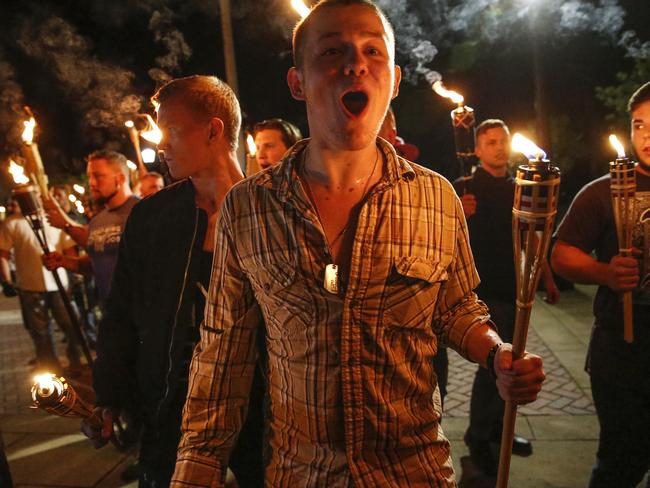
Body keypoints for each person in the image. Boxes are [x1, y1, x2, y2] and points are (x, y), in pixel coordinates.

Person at [171, 2, 545, 486]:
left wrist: (497, 354)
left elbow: (456, 310)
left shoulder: (436, 197)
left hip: (414, 472)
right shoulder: (248, 207)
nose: (355, 63)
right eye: (331, 51)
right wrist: (195, 469)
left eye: (373, 50)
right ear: (298, 82)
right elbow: (223, 354)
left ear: (392, 78)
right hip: (301, 473)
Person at [84, 75, 263, 487]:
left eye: (173, 132)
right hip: (172, 411)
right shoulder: (151, 218)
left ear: (214, 130)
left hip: (265, 413)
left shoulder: (271, 211)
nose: (161, 145)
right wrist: (109, 395)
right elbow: (122, 311)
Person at [551, 82, 650, 488]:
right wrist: (606, 273)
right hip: (623, 354)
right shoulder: (606, 190)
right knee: (620, 463)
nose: (647, 136)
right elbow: (561, 254)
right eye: (640, 125)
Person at [454, 119, 560, 478]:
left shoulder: (521, 187)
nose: (499, 147)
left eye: (504, 141)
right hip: (485, 291)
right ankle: (478, 439)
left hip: (518, 293)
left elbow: (533, 238)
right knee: (493, 370)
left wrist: (546, 278)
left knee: (511, 367)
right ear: (478, 149)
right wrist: (462, 215)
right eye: (491, 141)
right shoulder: (464, 189)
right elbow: (449, 243)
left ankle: (502, 430)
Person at [43, 150, 138, 306]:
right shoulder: (98, 221)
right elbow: (98, 262)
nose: (92, 183)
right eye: (89, 177)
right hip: (111, 314)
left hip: (141, 314)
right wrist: (66, 261)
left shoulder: (142, 212)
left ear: (120, 178)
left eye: (98, 176)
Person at [0, 197, 83, 375]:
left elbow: (69, 248)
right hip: (30, 285)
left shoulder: (53, 219)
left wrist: (76, 274)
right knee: (40, 332)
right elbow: (4, 254)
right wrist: (7, 280)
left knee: (71, 324)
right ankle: (51, 369)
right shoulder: (12, 223)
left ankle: (75, 360)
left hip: (59, 283)